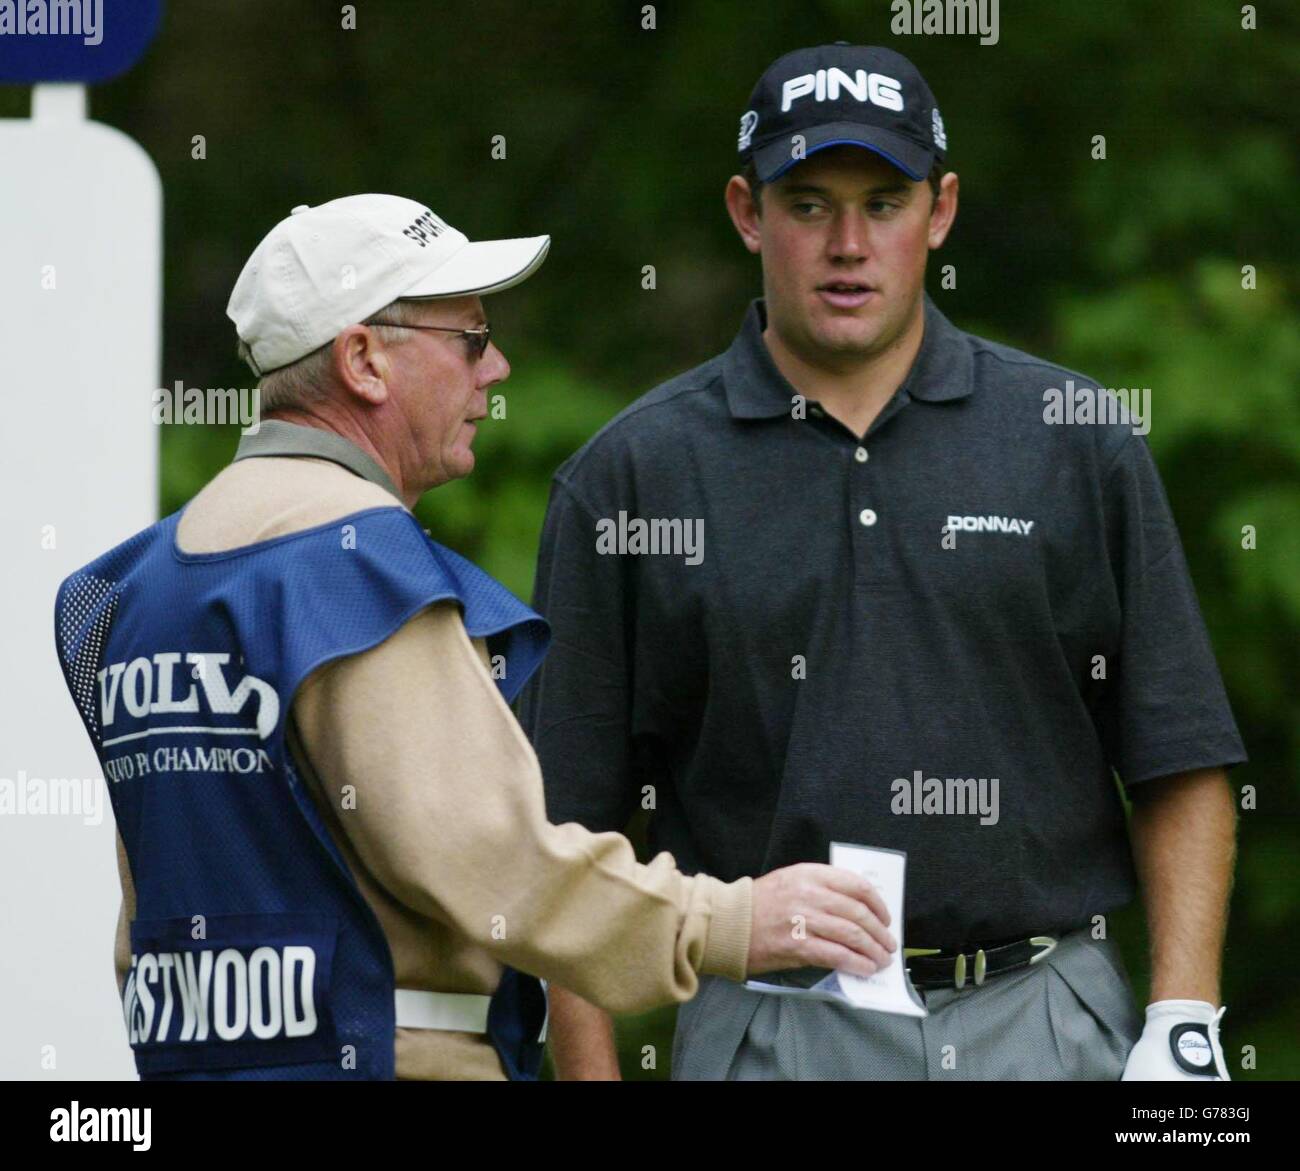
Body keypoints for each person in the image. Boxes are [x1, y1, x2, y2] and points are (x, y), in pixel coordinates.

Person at [521, 45, 1246, 1081]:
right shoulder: (631, 478)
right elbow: (570, 839)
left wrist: (1184, 1022)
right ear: (745, 211)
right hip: (771, 1026)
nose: (849, 244)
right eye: (808, 204)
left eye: (885, 201)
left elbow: (1176, 755)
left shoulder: (1073, 436)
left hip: (1043, 1018)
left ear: (941, 211)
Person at [53, 193, 894, 1081]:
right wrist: (730, 921)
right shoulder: (357, 570)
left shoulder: (133, 587)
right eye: (469, 338)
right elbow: (492, 862)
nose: (495, 368)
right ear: (364, 360)